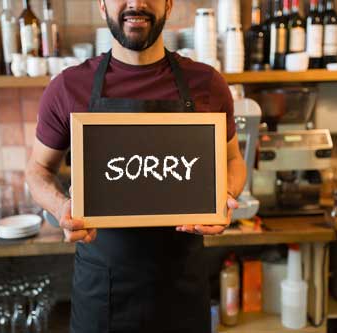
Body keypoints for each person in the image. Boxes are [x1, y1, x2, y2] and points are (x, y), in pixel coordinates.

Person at [25, 0, 247, 332]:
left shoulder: (207, 84)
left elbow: (233, 160)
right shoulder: (68, 87)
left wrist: (224, 196)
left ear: (169, 4)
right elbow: (37, 170)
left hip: (182, 292)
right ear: (102, 6)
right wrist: (62, 209)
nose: (136, 3)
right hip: (103, 295)